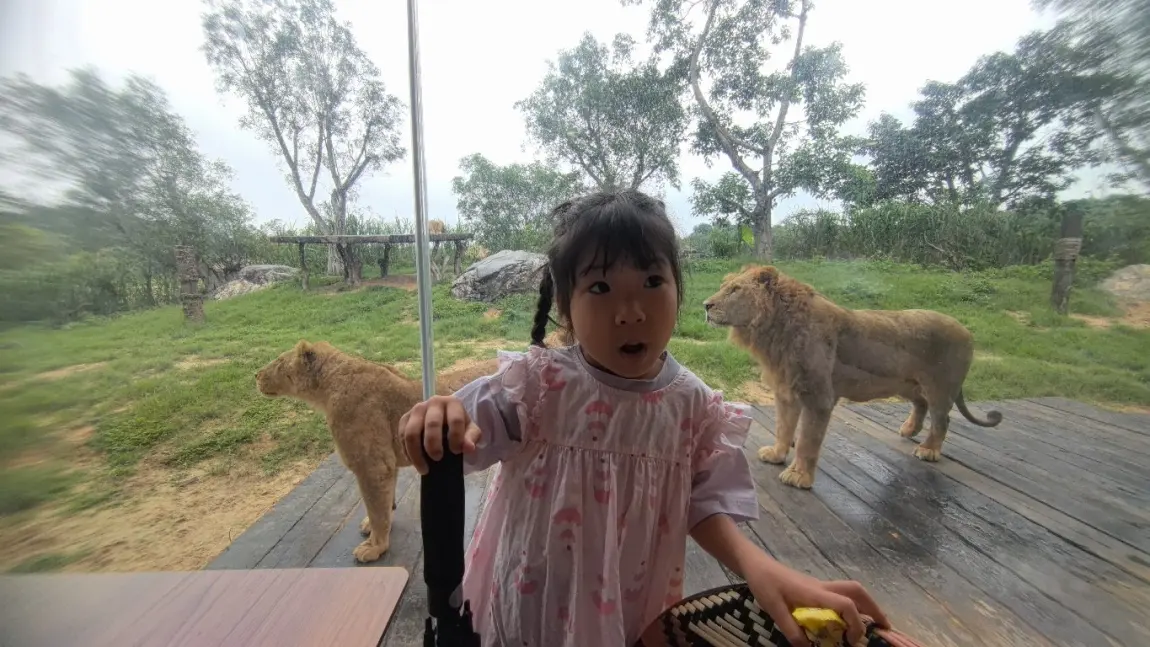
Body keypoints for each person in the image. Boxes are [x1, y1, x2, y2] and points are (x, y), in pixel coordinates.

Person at [400, 189, 890, 647]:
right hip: (529, 608)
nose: (631, 312)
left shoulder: (693, 406)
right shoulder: (537, 386)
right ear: (566, 307)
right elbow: (459, 434)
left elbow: (704, 503)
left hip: (631, 613)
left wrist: (762, 569)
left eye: (653, 282)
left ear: (678, 290)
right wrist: (440, 416)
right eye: (600, 287)